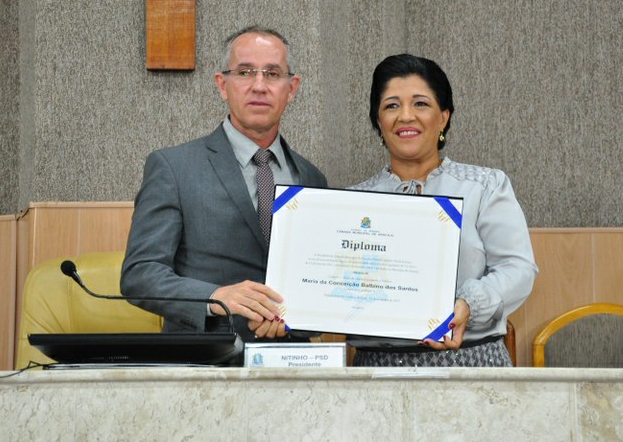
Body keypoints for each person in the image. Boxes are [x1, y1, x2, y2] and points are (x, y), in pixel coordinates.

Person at [121, 25, 327, 343]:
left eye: (273, 74)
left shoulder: (312, 179)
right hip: (202, 362)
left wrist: (294, 321)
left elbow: (319, 289)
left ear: (292, 87)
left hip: (288, 367)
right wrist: (216, 297)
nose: (259, 86)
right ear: (222, 84)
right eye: (244, 72)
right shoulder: (174, 167)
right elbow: (140, 275)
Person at [348, 53, 538, 366]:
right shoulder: (353, 201)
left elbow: (518, 269)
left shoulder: (485, 186)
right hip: (377, 367)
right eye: (391, 105)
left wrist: (469, 303)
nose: (406, 116)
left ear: (444, 117)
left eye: (420, 103)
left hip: (472, 362)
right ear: (378, 122)